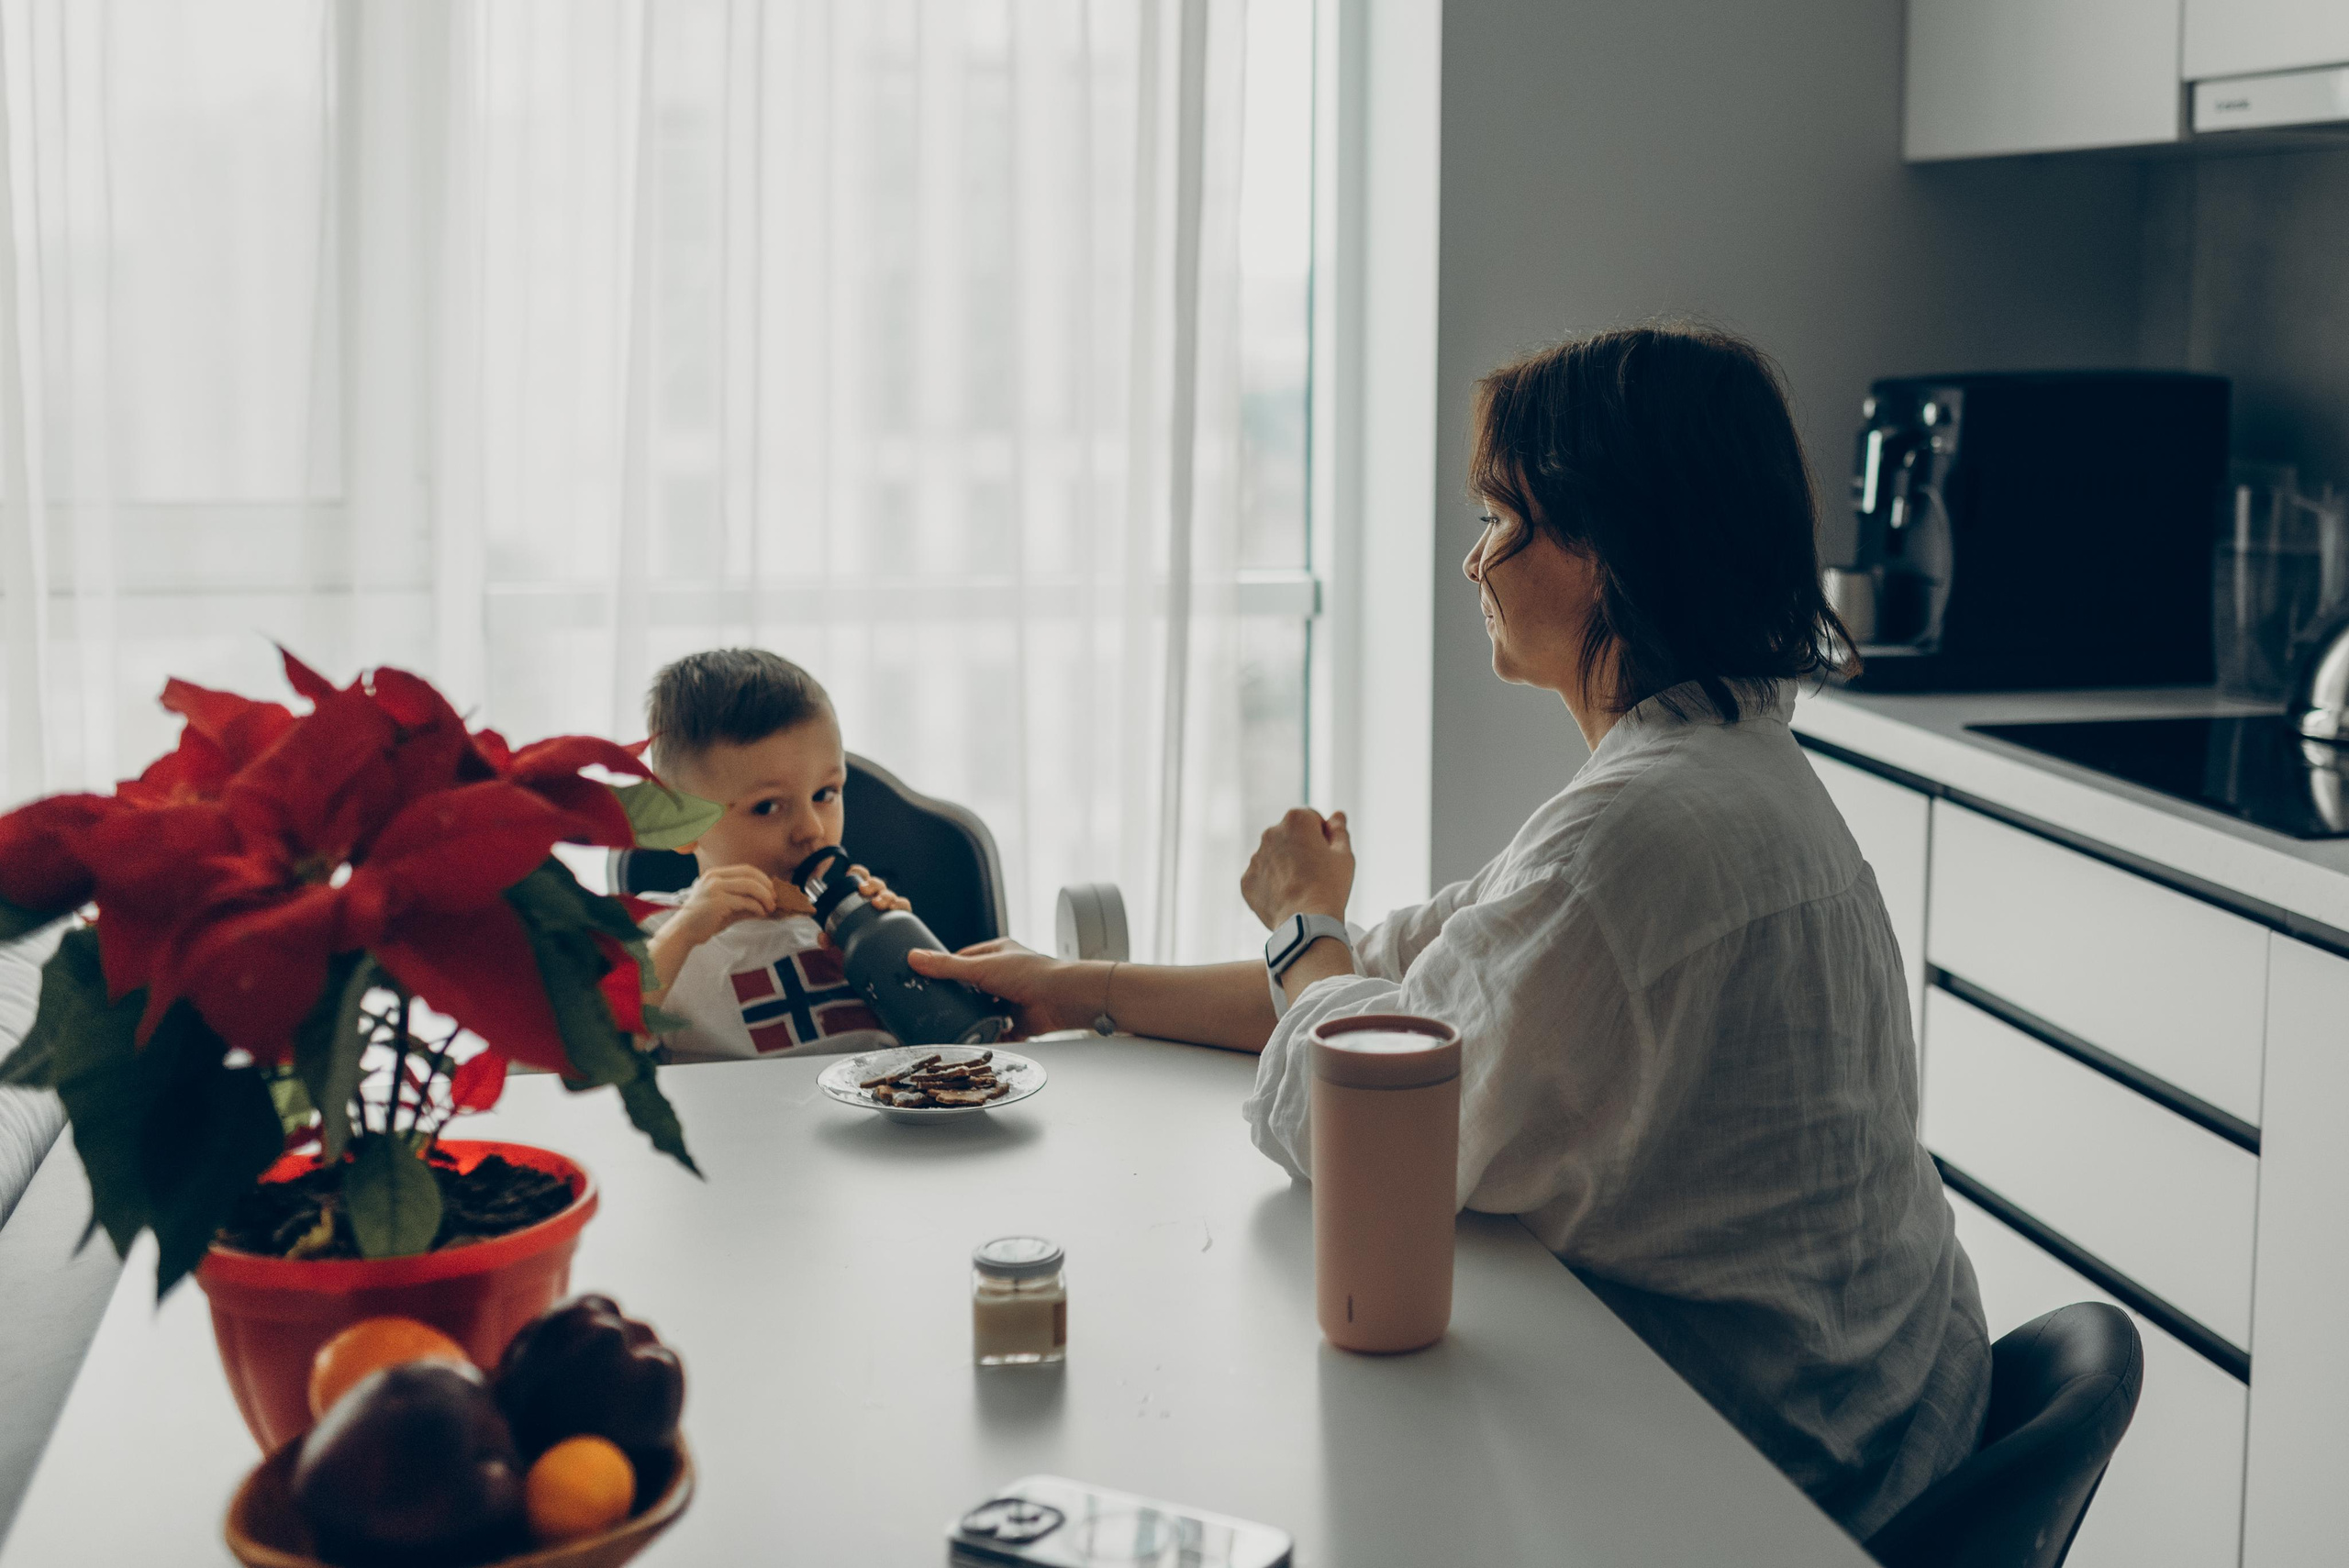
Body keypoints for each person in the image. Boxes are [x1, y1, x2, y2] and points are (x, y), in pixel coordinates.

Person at [909, 324, 1990, 1540]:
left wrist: (1300, 917)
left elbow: (1360, 1116)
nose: (1475, 563)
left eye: (1498, 519)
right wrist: (1081, 984)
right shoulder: (1718, 762)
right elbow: (1401, 983)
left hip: (1753, 1477)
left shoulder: (1633, 837)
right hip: (1871, 1406)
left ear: (1601, 548)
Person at [639, 649, 910, 1062]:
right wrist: (682, 935)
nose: (812, 829)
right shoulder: (655, 935)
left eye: (825, 794)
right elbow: (571, 1063)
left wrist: (897, 956)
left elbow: (956, 1054)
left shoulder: (853, 926)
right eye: (767, 807)